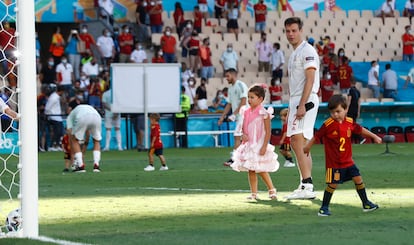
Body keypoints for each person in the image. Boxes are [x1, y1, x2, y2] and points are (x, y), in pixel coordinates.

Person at [304, 94, 380, 216]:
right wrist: (307, 146)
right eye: (332, 112)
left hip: (348, 161)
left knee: (358, 179)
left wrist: (374, 136)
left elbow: (360, 130)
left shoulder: (349, 122)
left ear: (345, 110)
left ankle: (366, 203)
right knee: (332, 184)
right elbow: (317, 136)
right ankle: (323, 208)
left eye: (338, 111)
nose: (335, 114)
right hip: (334, 164)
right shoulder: (328, 125)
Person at [284, 17, 320, 200]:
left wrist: (301, 105)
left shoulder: (307, 51)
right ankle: (305, 184)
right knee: (300, 142)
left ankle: (307, 185)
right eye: (288, 31)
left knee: (298, 140)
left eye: (294, 30)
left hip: (305, 100)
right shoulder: (295, 53)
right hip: (298, 100)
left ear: (300, 31)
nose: (291, 34)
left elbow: (310, 79)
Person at [230, 84, 279, 200]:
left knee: (261, 169)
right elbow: (244, 127)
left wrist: (264, 146)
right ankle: (254, 193)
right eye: (248, 97)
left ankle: (271, 189)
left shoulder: (264, 113)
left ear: (260, 99)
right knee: (251, 169)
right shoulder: (246, 112)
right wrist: (243, 135)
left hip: (259, 144)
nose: (249, 100)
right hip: (249, 145)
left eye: (252, 97)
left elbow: (268, 132)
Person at [218, 68, 248, 166]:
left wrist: (234, 114)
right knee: (243, 137)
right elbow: (229, 104)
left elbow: (244, 101)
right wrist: (222, 117)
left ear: (233, 75)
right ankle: (243, 158)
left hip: (245, 115)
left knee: (237, 135)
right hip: (239, 116)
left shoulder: (241, 85)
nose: (226, 78)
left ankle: (234, 159)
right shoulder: (230, 88)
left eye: (228, 76)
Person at [66, 104, 102, 173]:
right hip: (97, 116)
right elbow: (87, 134)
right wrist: (83, 150)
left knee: (74, 140)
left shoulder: (70, 116)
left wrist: (73, 153)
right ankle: (96, 166)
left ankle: (81, 166)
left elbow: (70, 135)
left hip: (83, 117)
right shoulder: (82, 108)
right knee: (96, 140)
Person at [102, 86, 123, 151]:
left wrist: (111, 110)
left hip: (109, 113)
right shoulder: (118, 93)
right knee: (117, 129)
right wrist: (115, 111)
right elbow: (120, 104)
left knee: (108, 129)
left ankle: (107, 146)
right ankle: (119, 146)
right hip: (117, 113)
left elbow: (104, 104)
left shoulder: (105, 93)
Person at [45, 85, 65, 151]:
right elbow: (47, 107)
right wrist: (49, 115)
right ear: (61, 91)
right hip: (54, 117)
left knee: (60, 132)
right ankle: (52, 146)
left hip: (57, 117)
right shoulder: (53, 98)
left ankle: (57, 145)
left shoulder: (56, 97)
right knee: (56, 132)